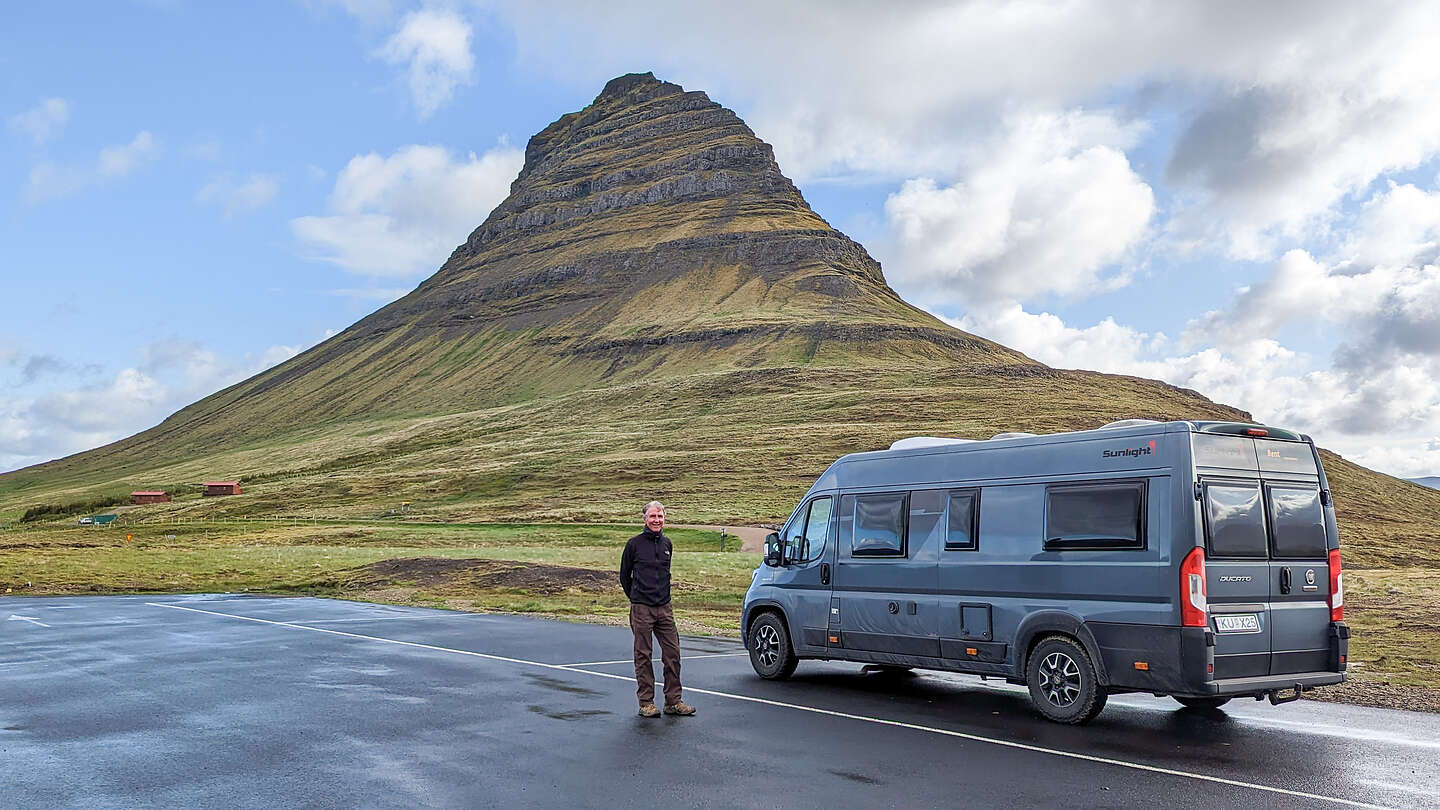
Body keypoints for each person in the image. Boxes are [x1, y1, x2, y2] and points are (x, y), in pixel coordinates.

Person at [619, 500, 695, 717]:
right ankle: (646, 703)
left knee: (673, 653)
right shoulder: (634, 544)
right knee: (643, 655)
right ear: (645, 519)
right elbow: (625, 576)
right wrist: (635, 598)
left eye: (660, 516)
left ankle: (673, 701)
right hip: (642, 607)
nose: (656, 520)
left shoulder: (667, 544)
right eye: (652, 516)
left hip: (665, 607)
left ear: (664, 519)